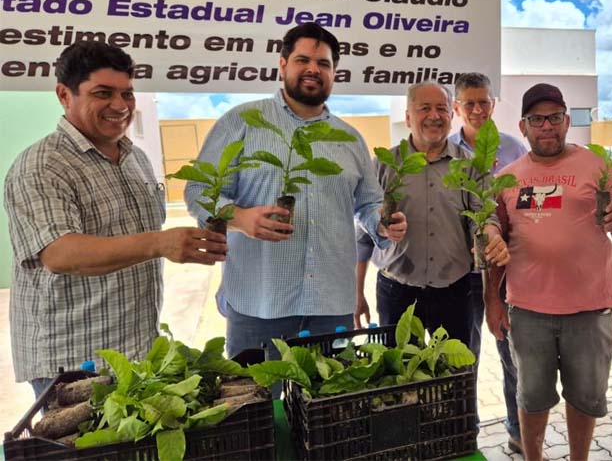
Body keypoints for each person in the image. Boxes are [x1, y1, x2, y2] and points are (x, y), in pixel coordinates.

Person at [4, 41, 228, 397]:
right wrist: (161, 242)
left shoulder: (134, 157)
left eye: (128, 93)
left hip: (136, 348)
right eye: (103, 93)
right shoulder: (41, 165)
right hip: (76, 362)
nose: (121, 106)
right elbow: (60, 254)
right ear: (65, 95)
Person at [184, 23, 407, 359]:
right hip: (260, 303)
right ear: (283, 64)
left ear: (334, 73)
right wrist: (240, 218)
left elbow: (369, 203)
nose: (313, 69)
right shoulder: (242, 122)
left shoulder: (349, 139)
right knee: (259, 407)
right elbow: (199, 188)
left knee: (328, 406)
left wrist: (382, 224)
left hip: (332, 307)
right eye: (303, 60)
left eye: (324, 64)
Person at [484, 83, 612, 461]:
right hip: (528, 311)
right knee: (532, 398)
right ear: (523, 127)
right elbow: (494, 241)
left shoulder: (598, 168)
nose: (547, 126)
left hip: (589, 309)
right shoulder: (508, 177)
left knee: (585, 397)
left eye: (554, 117)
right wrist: (492, 301)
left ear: (567, 121)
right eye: (537, 119)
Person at [369, 81, 509, 347]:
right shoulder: (385, 164)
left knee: (455, 376)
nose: (434, 116)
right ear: (408, 117)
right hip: (396, 289)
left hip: (454, 291)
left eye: (441, 109)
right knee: (399, 378)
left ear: (451, 115)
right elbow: (366, 224)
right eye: (425, 108)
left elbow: (484, 216)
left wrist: (491, 236)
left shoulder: (469, 166)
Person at [447, 72, 527, 452]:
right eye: (469, 103)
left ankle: (517, 431)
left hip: (506, 269)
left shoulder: (514, 150)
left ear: (493, 105)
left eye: (484, 102)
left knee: (511, 356)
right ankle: (466, 435)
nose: (477, 110)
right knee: (465, 359)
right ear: (456, 108)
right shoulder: (444, 152)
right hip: (460, 274)